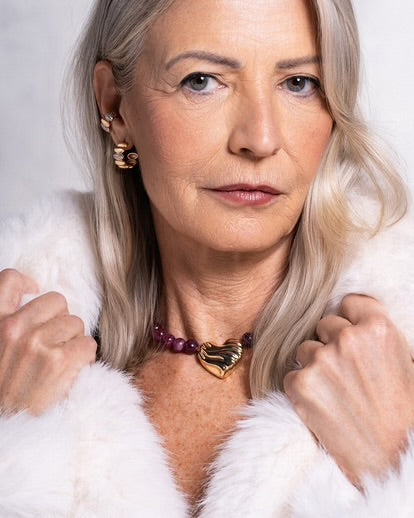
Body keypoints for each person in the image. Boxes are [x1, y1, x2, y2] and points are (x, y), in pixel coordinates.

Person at [0, 0, 414, 516]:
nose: (260, 139)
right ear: (116, 107)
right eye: (202, 81)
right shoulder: (17, 356)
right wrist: (10, 437)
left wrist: (396, 461)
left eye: (299, 83)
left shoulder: (399, 364)